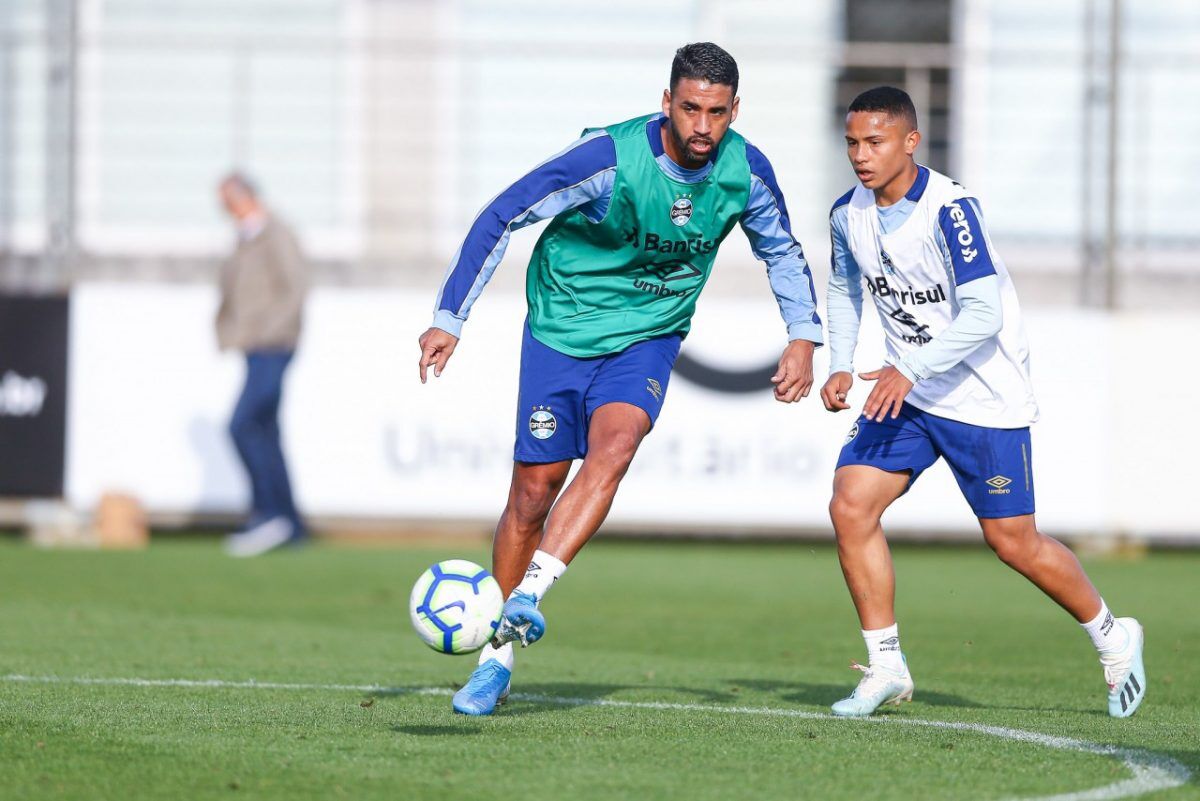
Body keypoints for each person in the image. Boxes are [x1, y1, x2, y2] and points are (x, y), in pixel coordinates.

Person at [419, 42, 823, 716]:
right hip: (563, 326)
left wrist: (804, 335)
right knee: (532, 491)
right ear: (666, 103)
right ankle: (498, 657)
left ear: (734, 112)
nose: (702, 126)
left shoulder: (745, 171)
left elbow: (781, 247)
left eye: (716, 113)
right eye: (690, 108)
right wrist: (449, 316)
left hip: (649, 335)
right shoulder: (607, 160)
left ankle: (523, 601)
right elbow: (504, 212)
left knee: (616, 444)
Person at [819, 87, 1144, 718]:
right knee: (850, 505)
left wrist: (907, 367)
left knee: (1012, 541)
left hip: (981, 394)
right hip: (910, 393)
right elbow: (842, 284)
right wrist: (837, 362)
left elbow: (984, 313)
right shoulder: (845, 213)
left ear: (911, 141)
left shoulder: (951, 209)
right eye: (853, 142)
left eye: (875, 141)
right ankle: (886, 665)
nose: (861, 155)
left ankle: (1112, 635)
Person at [215, 173, 310, 557]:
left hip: (273, 345)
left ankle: (268, 513)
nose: (223, 208)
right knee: (266, 431)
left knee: (242, 425)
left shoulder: (276, 233)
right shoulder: (245, 237)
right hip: (255, 347)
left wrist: (268, 331)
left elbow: (295, 288)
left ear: (244, 196)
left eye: (226, 199)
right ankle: (290, 522)